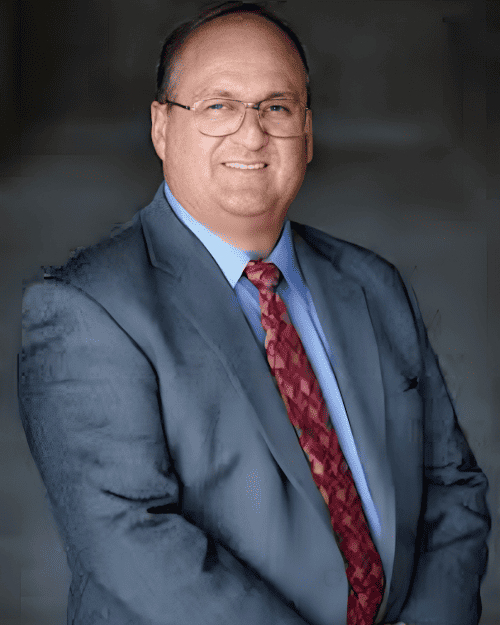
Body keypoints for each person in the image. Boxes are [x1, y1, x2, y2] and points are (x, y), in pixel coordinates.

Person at [18, 2, 490, 625]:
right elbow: (129, 539)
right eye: (219, 106)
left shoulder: (373, 285)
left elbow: (450, 487)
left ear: (307, 133)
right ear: (162, 127)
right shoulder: (86, 309)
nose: (251, 134)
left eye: (277, 107)